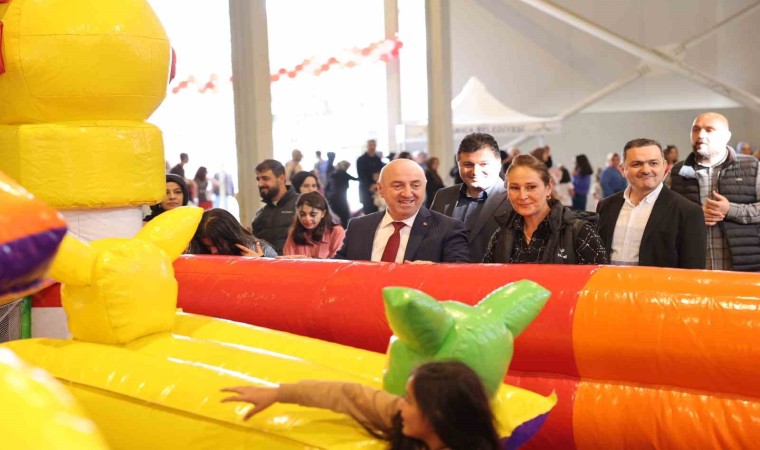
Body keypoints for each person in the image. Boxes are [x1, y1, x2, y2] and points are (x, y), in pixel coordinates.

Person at [221, 360, 501, 450]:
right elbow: (348, 395)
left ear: (437, 414)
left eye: (409, 401)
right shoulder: (402, 419)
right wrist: (278, 393)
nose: (401, 406)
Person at [669, 112, 760, 271]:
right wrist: (694, 217)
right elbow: (663, 215)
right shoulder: (677, 172)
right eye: (696, 130)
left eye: (709, 130)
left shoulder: (752, 167)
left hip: (744, 267)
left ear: (726, 136)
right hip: (693, 269)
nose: (701, 135)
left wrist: (730, 210)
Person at [596, 139, 706, 269]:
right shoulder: (606, 206)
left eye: (653, 163)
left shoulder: (688, 212)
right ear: (622, 169)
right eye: (636, 164)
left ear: (664, 166)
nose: (646, 170)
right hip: (609, 282)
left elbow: (693, 271)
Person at [335, 159, 470, 263]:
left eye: (415, 185)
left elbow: (461, 275)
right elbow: (336, 270)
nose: (407, 193)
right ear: (381, 189)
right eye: (398, 186)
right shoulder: (358, 227)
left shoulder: (448, 229)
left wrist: (434, 272)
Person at [483, 155, 607, 264]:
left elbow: (600, 281)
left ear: (548, 188)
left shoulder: (579, 232)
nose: (522, 196)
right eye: (515, 188)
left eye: (531, 187)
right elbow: (488, 279)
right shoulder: (501, 235)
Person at [430, 133, 510, 262]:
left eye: (483, 164)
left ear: (499, 164)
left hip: (496, 274)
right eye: (468, 164)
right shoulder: (443, 196)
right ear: (458, 165)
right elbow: (432, 241)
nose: (475, 172)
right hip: (447, 273)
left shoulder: (513, 199)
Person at [251, 159, 298, 255]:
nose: (260, 184)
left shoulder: (301, 205)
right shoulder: (260, 214)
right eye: (258, 179)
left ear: (281, 179)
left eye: (265, 178)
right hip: (267, 264)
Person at [187, 208, 276, 257]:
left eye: (218, 244)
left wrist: (261, 264)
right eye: (207, 246)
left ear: (231, 238)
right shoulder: (200, 252)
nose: (213, 251)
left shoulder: (264, 251)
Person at [283, 191, 345, 259]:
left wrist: (308, 262)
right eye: (302, 214)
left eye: (313, 215)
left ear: (323, 213)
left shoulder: (336, 231)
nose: (307, 219)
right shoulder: (294, 234)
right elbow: (287, 261)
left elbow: (338, 261)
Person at [357, 139, 385, 215]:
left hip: (377, 188)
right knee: (368, 213)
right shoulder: (361, 160)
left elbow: (381, 172)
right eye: (370, 145)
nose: (372, 147)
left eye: (373, 145)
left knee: (378, 212)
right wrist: (370, 186)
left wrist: (377, 179)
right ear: (367, 146)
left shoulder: (377, 159)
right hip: (366, 189)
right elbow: (361, 176)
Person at [327, 160, 358, 227]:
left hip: (333, 197)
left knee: (337, 213)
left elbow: (327, 186)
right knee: (344, 214)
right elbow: (355, 179)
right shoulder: (343, 173)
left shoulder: (333, 173)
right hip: (341, 197)